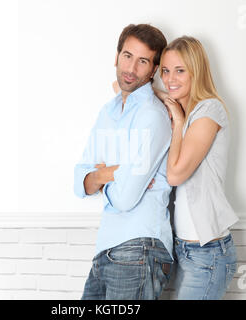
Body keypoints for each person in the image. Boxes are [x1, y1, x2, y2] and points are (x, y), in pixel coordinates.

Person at [74, 24, 174, 300]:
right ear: (116, 56)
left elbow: (127, 197)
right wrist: (109, 174)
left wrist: (101, 178)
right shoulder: (107, 112)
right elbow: (80, 180)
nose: (131, 68)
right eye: (127, 56)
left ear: (153, 69)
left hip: (140, 247)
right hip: (107, 246)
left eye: (143, 61)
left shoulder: (151, 116)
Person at [156, 36, 238, 299]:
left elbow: (175, 174)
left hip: (209, 252)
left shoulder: (209, 110)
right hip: (186, 250)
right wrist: (171, 105)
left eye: (180, 70)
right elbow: (118, 87)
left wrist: (178, 121)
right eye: (165, 71)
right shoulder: (187, 110)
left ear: (196, 72)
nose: (170, 79)